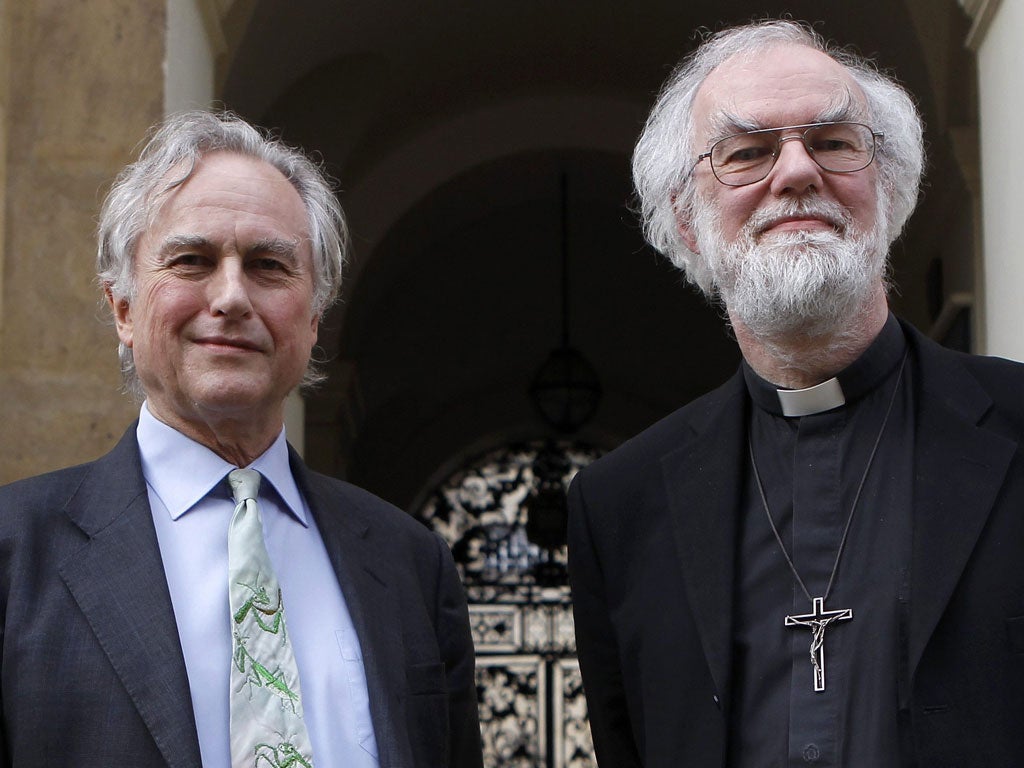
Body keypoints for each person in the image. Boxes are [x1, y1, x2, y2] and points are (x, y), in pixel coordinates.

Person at [567, 19, 1024, 768]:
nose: (796, 172)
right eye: (747, 152)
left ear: (891, 185)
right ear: (686, 219)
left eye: (835, 142)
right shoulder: (621, 508)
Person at [0, 111, 483, 768]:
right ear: (122, 310)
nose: (231, 297)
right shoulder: (14, 552)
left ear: (314, 317)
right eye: (192, 260)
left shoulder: (409, 565)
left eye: (268, 265)